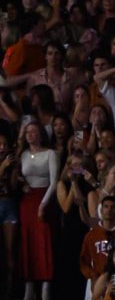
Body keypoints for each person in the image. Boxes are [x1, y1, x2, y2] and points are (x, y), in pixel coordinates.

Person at [19, 121, 59, 300]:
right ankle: (29, 286)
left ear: (41, 134)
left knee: (44, 242)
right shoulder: (24, 154)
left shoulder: (51, 153)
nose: (30, 135)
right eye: (27, 132)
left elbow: (54, 181)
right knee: (28, 243)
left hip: (44, 199)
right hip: (27, 202)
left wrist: (43, 204)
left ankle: (46, 286)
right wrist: (23, 184)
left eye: (34, 131)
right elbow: (19, 175)